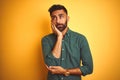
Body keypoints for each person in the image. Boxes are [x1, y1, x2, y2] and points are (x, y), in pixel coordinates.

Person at [41, 4, 93, 80]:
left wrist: (65, 71)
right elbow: (51, 66)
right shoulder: (46, 40)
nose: (58, 21)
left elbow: (88, 68)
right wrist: (59, 37)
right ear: (51, 21)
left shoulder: (80, 39)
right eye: (54, 18)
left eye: (61, 16)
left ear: (67, 18)